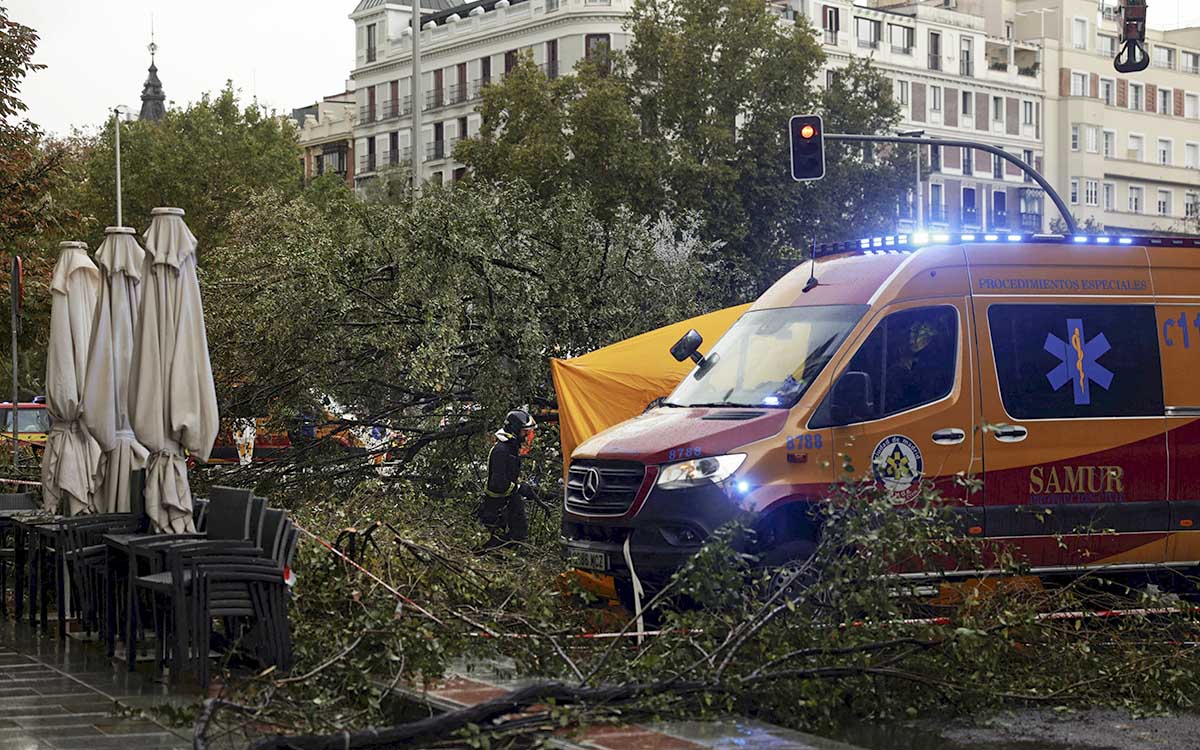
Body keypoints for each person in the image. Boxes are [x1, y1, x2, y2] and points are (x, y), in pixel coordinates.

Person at [479, 409, 537, 549]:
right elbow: (498, 483)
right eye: (524, 431)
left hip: (509, 501)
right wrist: (519, 488)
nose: (526, 435)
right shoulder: (501, 450)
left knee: (518, 536)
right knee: (496, 545)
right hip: (497, 507)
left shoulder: (510, 448)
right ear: (515, 430)